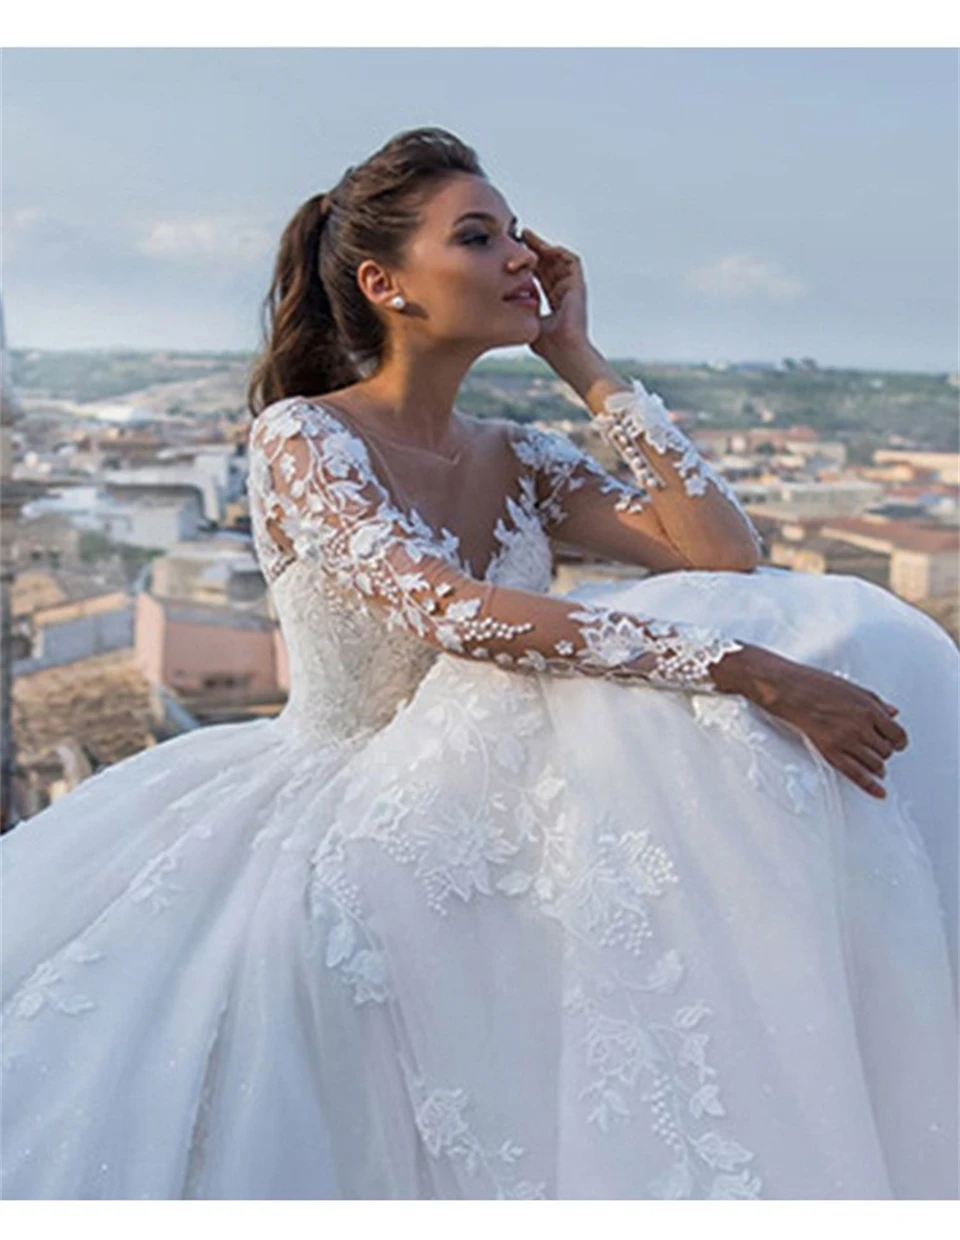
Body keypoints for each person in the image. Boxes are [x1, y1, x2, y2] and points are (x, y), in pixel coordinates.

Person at [2, 126, 957, 1202]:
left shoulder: (520, 453)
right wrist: (747, 671)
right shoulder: (302, 437)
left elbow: (725, 554)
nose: (520, 258)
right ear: (386, 285)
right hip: (345, 791)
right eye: (476, 236)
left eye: (514, 232)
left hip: (491, 787)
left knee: (831, 620)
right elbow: (451, 612)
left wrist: (582, 364)